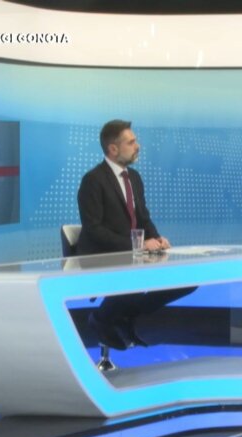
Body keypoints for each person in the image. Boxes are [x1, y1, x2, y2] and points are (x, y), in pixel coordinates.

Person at [77, 119, 195, 350]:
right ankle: (102, 319)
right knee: (133, 281)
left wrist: (157, 239)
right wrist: (137, 246)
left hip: (133, 256)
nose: (138, 146)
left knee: (188, 281)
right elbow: (94, 230)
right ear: (113, 149)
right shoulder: (93, 180)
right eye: (131, 142)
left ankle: (123, 316)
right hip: (103, 257)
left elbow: (143, 218)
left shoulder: (134, 178)